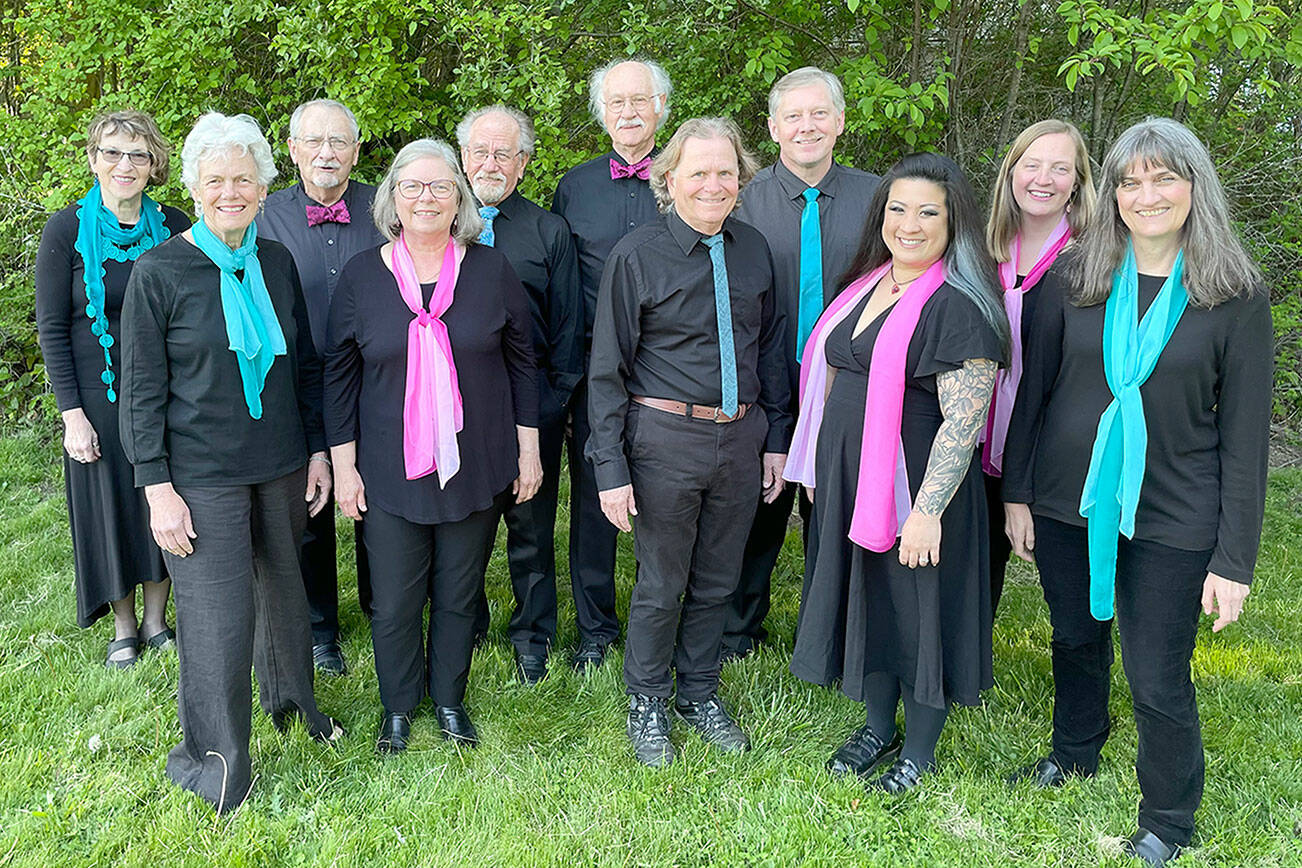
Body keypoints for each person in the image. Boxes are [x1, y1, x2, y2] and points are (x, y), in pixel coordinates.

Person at [1003, 118, 1272, 866]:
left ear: (1195, 187)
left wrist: (1234, 560)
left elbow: (1246, 439)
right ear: (1112, 193)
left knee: (1156, 672)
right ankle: (1075, 750)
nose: (1146, 195)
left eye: (1163, 178)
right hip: (1069, 499)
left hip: (1174, 510)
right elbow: (1034, 393)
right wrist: (1017, 492)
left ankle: (1168, 819)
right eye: (1130, 181)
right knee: (1074, 637)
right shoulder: (1075, 278)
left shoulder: (1233, 295)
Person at [119, 112, 342, 814]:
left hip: (280, 461)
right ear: (192, 186)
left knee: (285, 597)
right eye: (215, 180)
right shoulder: (159, 272)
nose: (230, 192)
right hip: (199, 475)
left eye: (244, 179)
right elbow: (141, 392)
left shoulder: (275, 261)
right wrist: (156, 488)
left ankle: (294, 705)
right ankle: (215, 761)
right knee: (217, 620)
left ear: (264, 187)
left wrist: (316, 451)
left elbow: (304, 368)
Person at [784, 153, 1008, 794]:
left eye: (928, 213)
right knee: (874, 602)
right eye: (898, 209)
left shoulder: (959, 306)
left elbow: (963, 421)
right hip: (856, 483)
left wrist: (927, 512)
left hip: (916, 490)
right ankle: (878, 727)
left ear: (953, 222)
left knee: (918, 610)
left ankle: (918, 750)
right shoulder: (866, 285)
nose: (909, 225)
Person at [587, 117, 792, 767]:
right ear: (669, 179)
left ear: (741, 180)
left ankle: (699, 691)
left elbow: (771, 349)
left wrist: (776, 438)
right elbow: (607, 370)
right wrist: (610, 468)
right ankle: (647, 699)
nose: (713, 184)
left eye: (726, 172)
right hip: (664, 439)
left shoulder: (754, 249)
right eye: (698, 172)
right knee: (662, 581)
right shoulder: (636, 256)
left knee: (718, 578)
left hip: (741, 438)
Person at [324, 139, 540, 754]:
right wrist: (344, 467)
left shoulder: (492, 270)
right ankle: (397, 707)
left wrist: (528, 451)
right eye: (412, 187)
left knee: (458, 592)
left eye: (440, 186)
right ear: (392, 197)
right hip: (388, 469)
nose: (426, 198)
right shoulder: (363, 276)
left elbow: (524, 363)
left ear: (458, 198)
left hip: (475, 463)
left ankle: (448, 700)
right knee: (394, 601)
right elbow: (337, 376)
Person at [724, 66, 880, 661]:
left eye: (819, 114)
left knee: (833, 514)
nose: (806, 126)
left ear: (840, 122)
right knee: (755, 513)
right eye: (793, 116)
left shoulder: (878, 199)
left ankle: (830, 637)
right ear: (773, 128)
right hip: (762, 382)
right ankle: (737, 631)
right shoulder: (741, 201)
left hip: (848, 385)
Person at [35, 110, 190, 669]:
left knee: (161, 494)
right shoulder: (65, 231)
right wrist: (71, 414)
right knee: (109, 506)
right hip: (96, 399)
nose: (125, 165)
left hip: (167, 394)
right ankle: (124, 624)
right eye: (113, 153)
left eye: (138, 155)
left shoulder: (175, 226)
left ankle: (156, 619)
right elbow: (51, 327)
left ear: (154, 165)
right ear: (94, 159)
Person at [552, 57, 671, 672]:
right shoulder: (574, 187)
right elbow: (562, 285)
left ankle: (663, 617)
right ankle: (595, 629)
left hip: (669, 367)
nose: (628, 112)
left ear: (660, 108)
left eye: (639, 100)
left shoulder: (685, 180)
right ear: (602, 114)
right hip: (595, 371)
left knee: (667, 499)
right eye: (616, 102)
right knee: (595, 498)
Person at [458, 105, 583, 684]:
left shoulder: (548, 232)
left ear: (523, 163)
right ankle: (466, 619)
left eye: (503, 153)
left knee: (531, 524)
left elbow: (567, 328)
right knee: (465, 523)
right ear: (463, 158)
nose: (490, 163)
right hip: (458, 405)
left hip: (532, 403)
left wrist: (550, 407)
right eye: (480, 152)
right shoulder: (437, 223)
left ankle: (533, 633)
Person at [260, 98, 386, 675]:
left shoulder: (387, 207)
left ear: (356, 151)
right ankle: (318, 630)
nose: (326, 153)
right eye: (314, 141)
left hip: (377, 379)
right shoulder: (263, 214)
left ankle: (385, 610)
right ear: (293, 150)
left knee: (377, 503)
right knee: (307, 507)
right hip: (295, 384)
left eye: (339, 142)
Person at [981, 119, 1096, 617]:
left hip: (1055, 449)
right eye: (1031, 165)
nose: (1043, 179)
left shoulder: (1094, 262)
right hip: (977, 440)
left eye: (1060, 168)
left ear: (1078, 182)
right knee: (974, 573)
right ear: (1011, 173)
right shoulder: (981, 252)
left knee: (1071, 603)